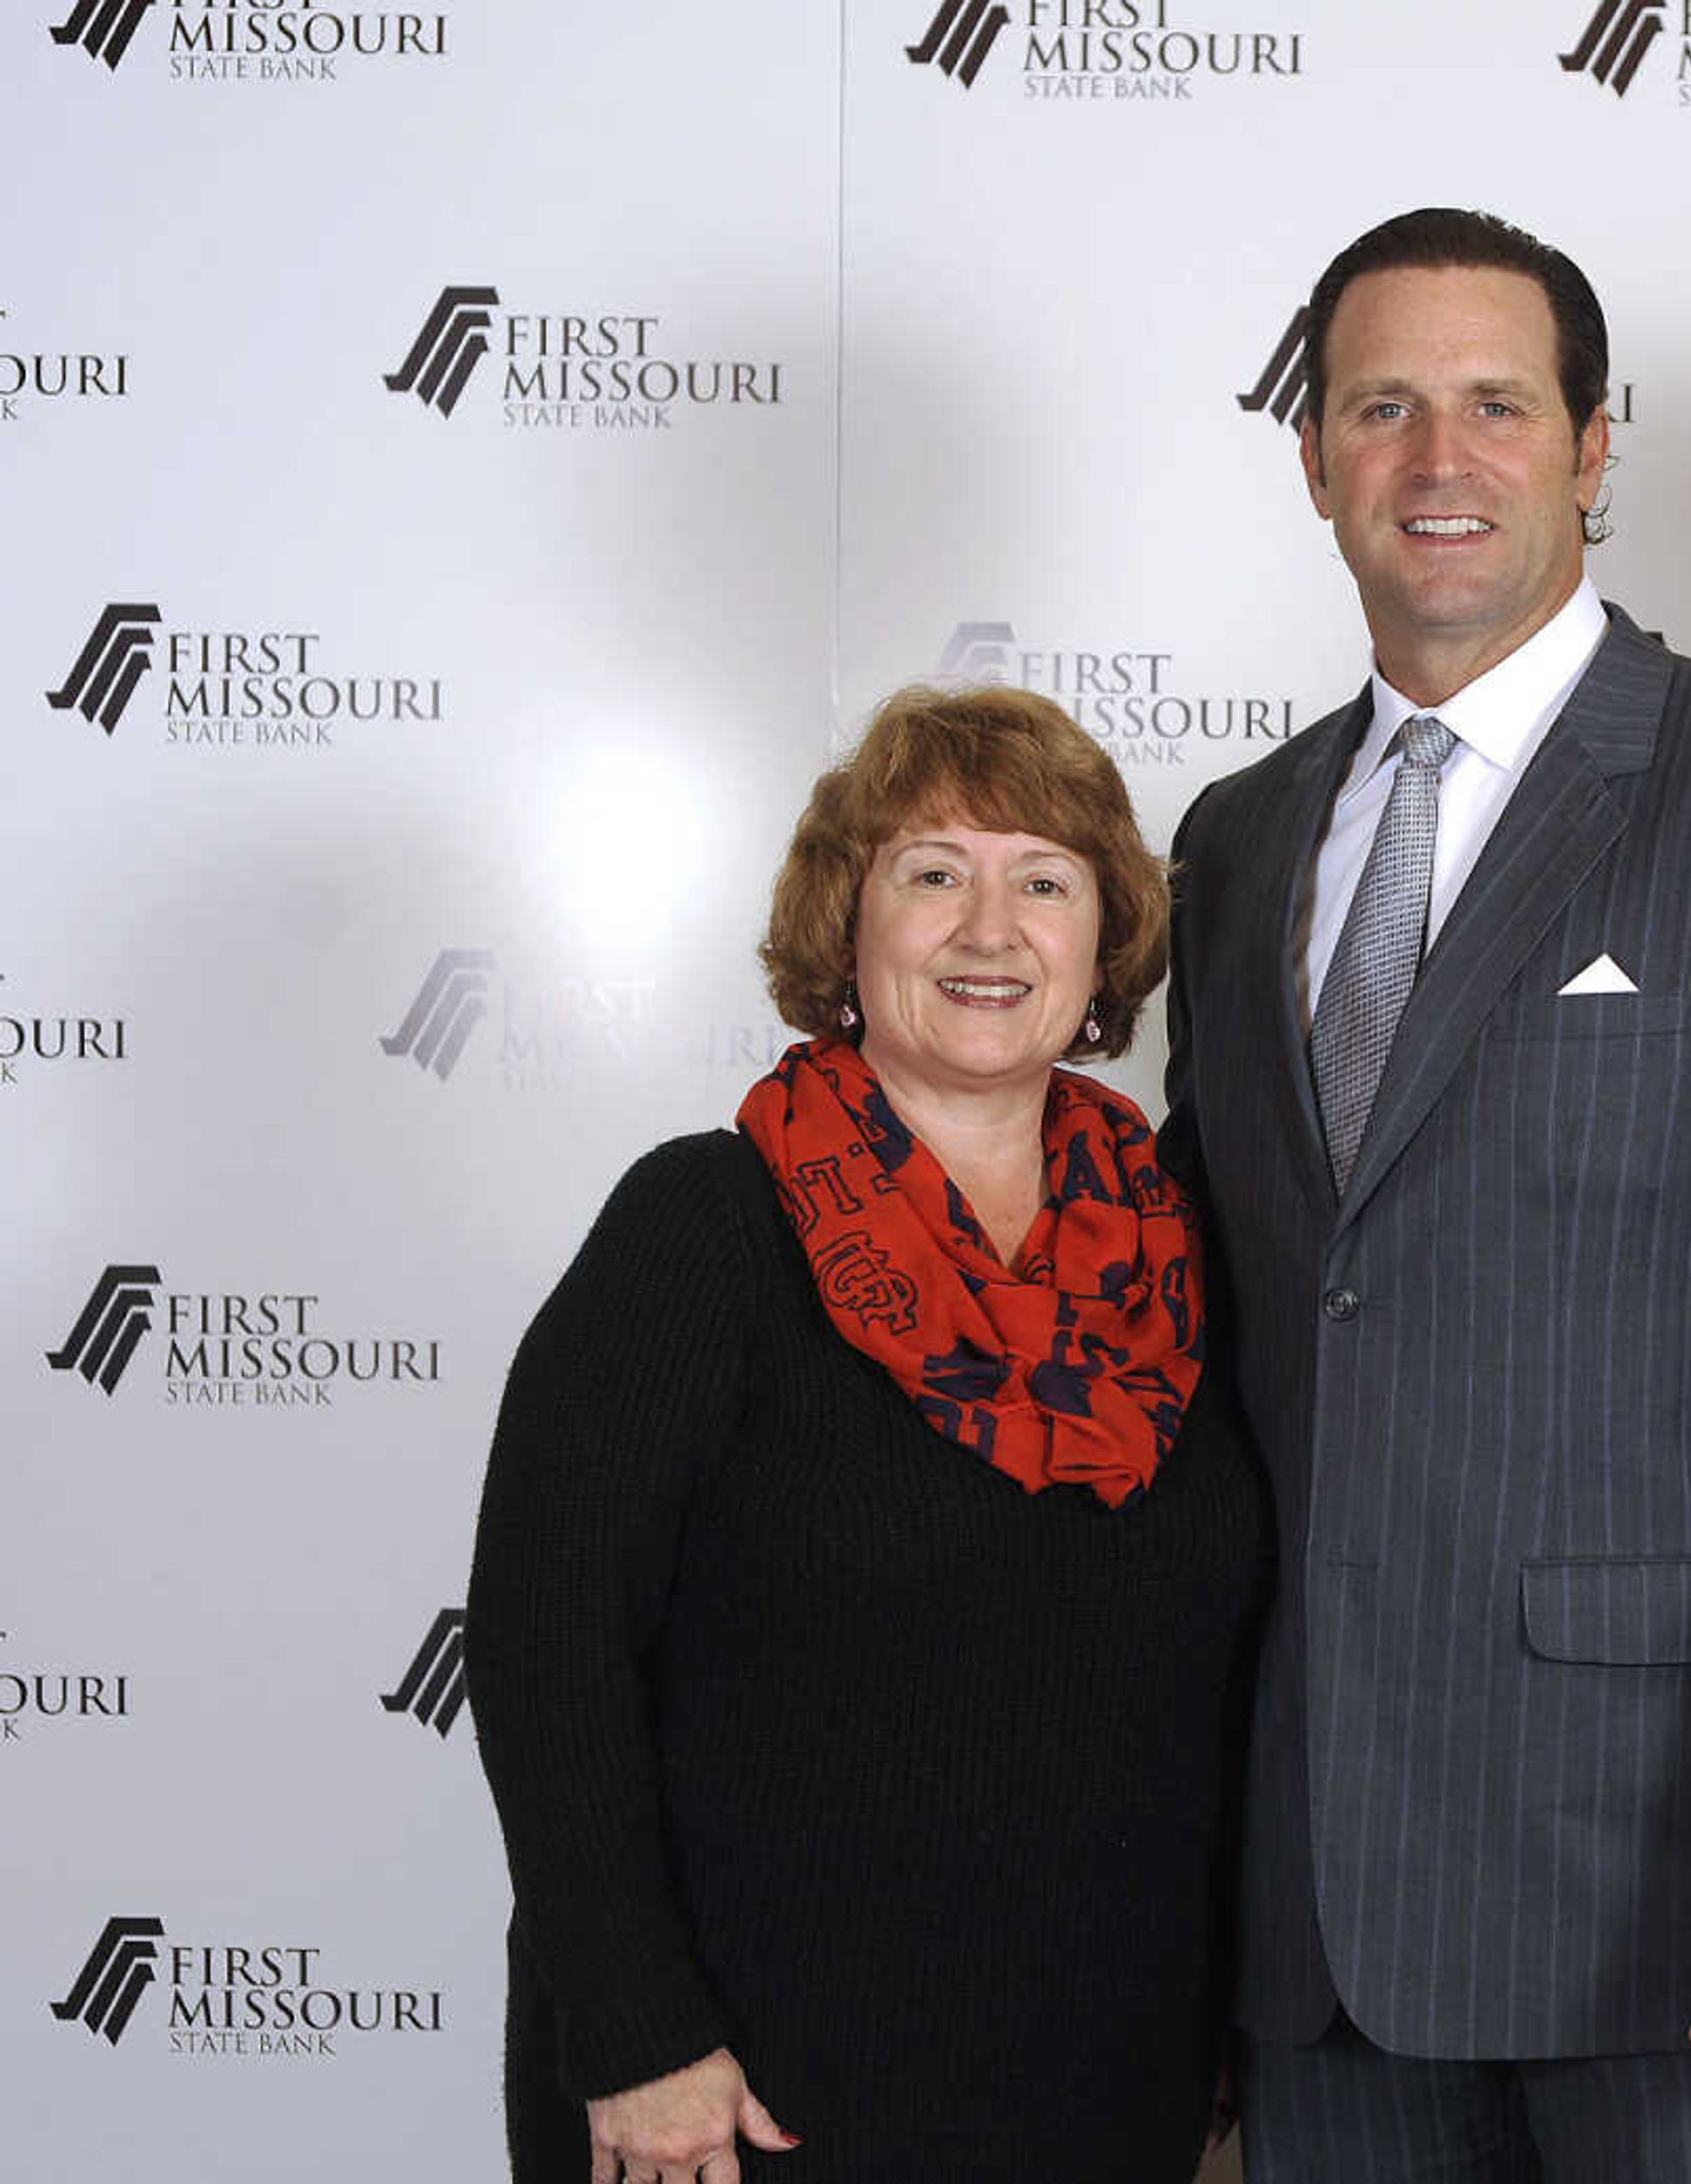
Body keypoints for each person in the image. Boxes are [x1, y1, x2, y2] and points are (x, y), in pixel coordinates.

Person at [1159, 205, 1691, 2182]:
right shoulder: (1238, 839)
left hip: (1686, 1920)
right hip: (1324, 1920)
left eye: (1499, 406)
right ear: (1315, 460)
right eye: (1384, 409)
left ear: (1597, 448)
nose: (1440, 462)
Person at [466, 685, 1269, 2184]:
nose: (989, 927)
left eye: (1044, 880)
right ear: (847, 927)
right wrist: (636, 2032)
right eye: (931, 873)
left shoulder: (1183, 1251)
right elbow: (541, 1645)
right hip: (750, 2100)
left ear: (1105, 946)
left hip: (1104, 2084)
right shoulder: (704, 1229)